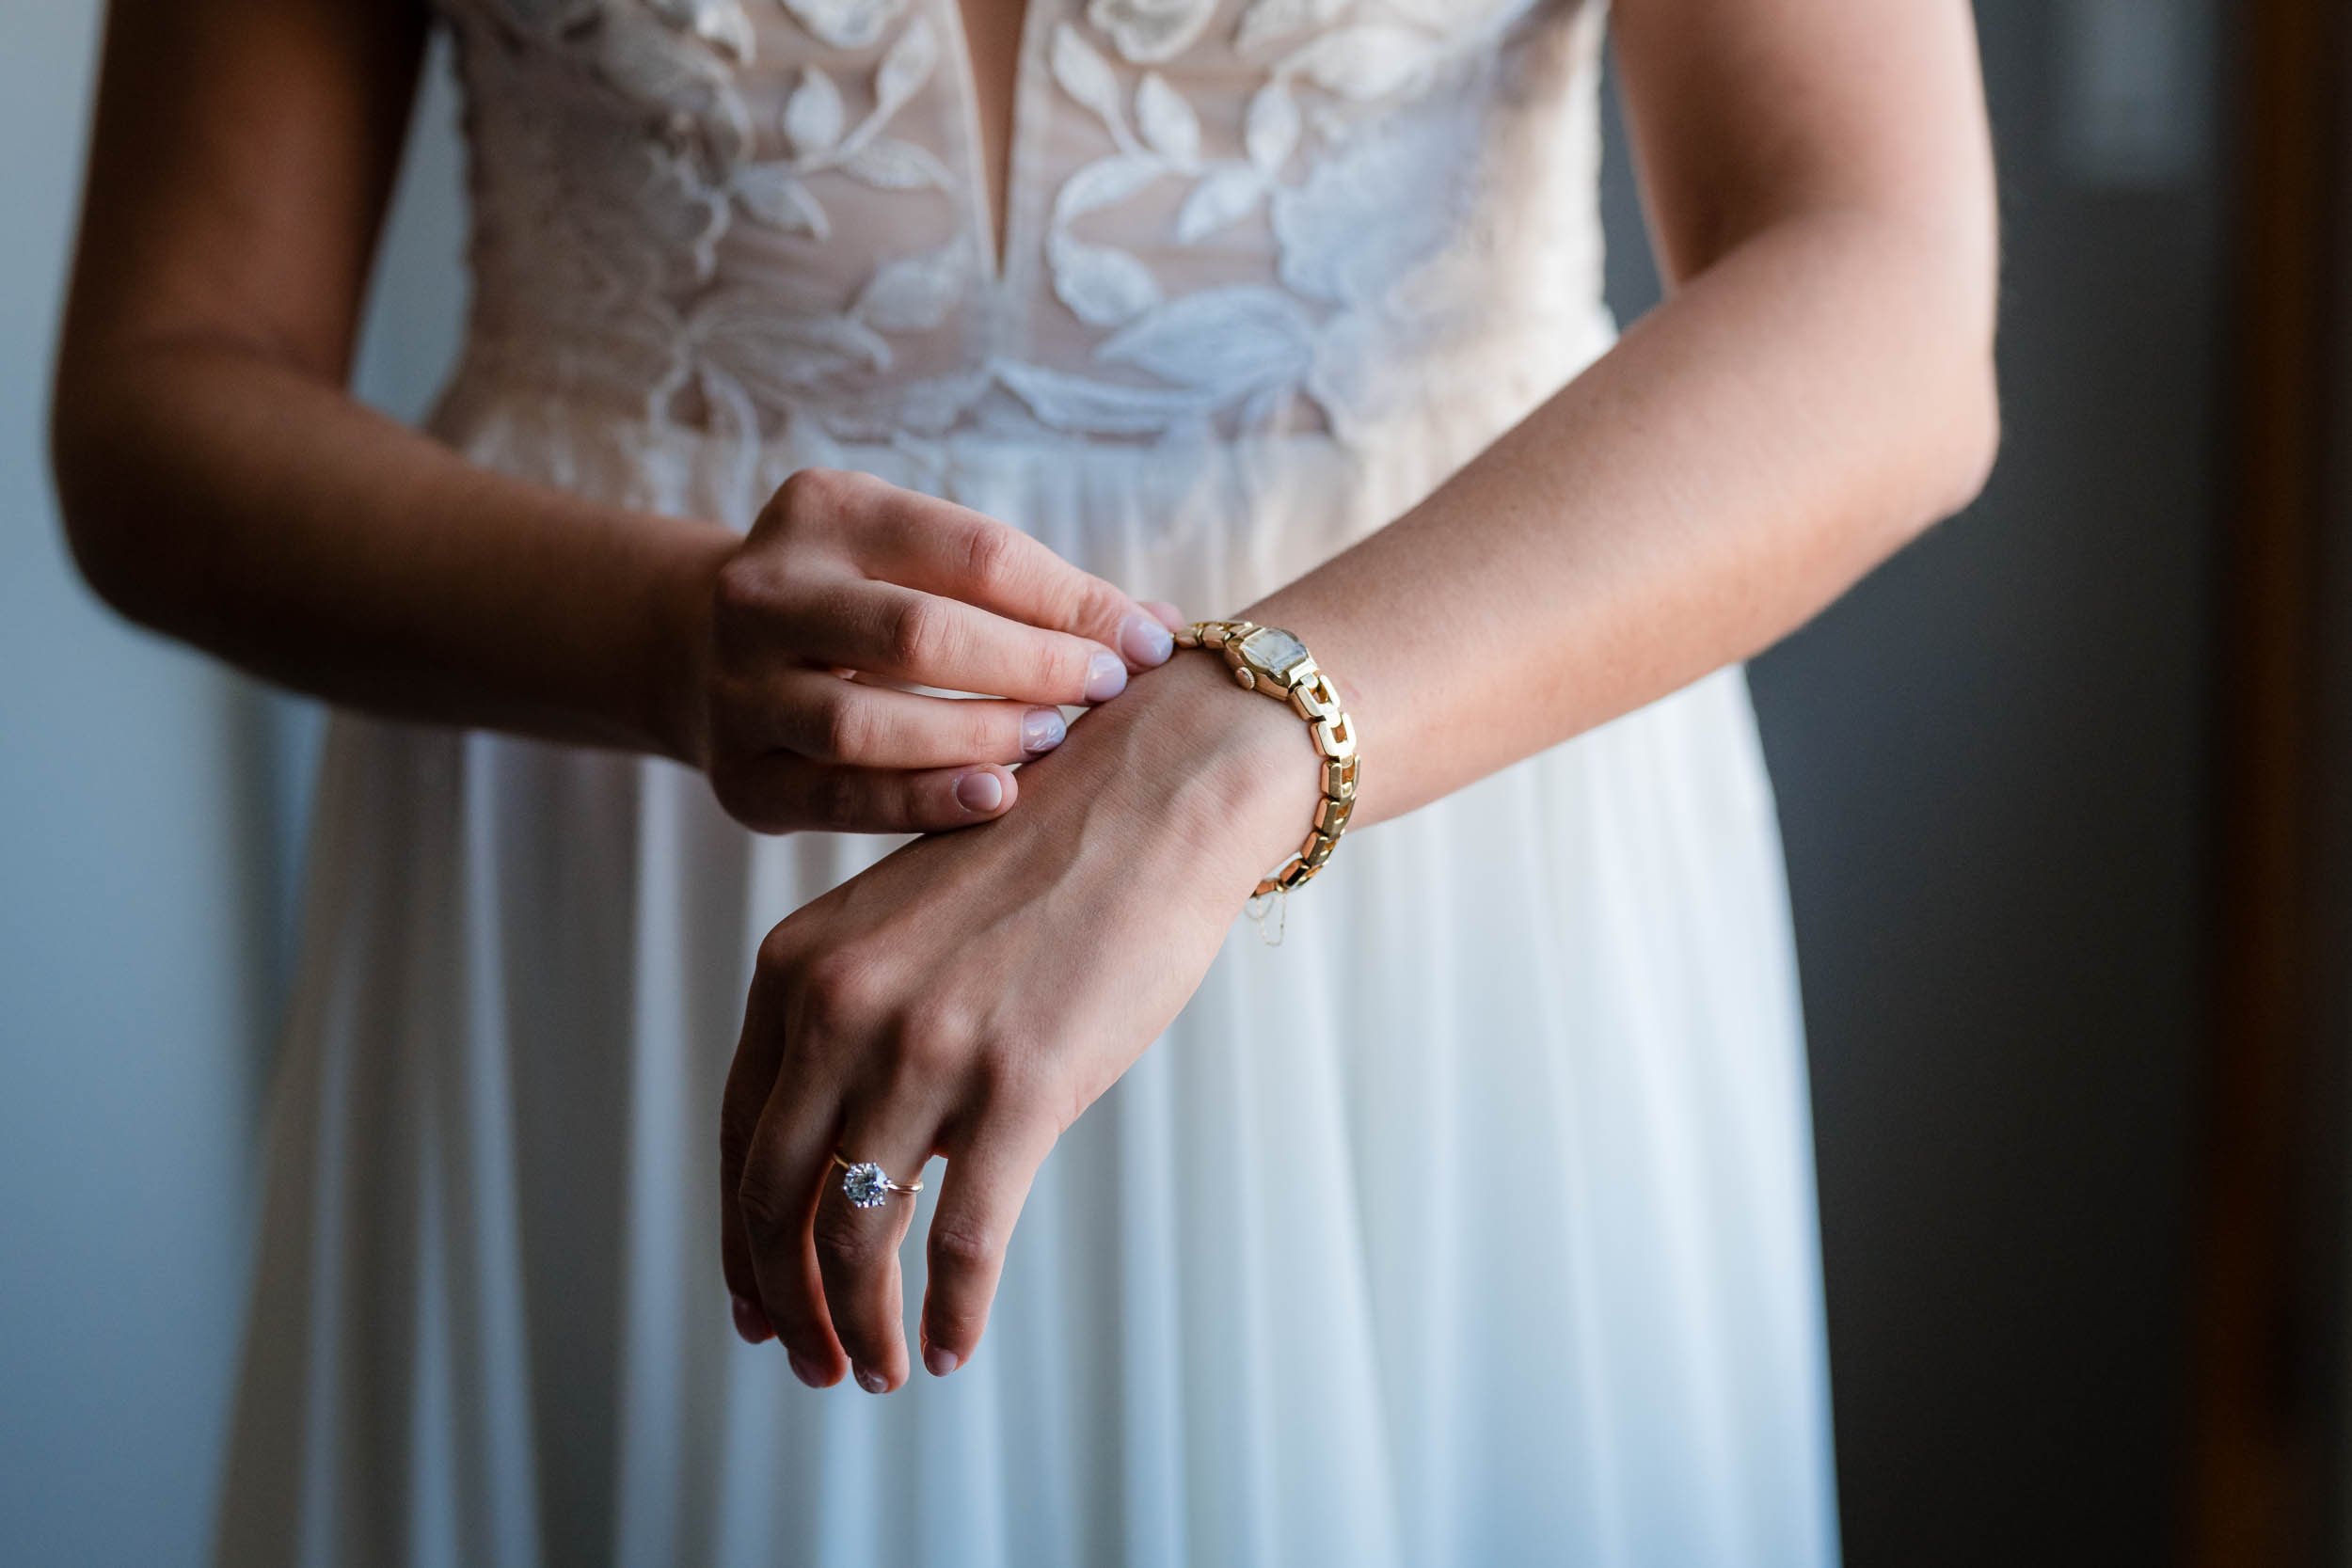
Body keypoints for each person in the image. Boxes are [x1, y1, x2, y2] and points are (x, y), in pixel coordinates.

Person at [50, 0, 1997, 1561]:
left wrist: (1228, 755)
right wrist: (660, 640)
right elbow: (161, 390)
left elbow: (1887, 300)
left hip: (1436, 858)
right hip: (617, 891)